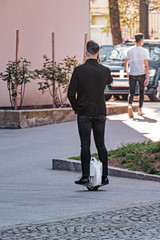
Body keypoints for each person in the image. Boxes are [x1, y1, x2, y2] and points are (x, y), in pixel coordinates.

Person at [67, 40, 113, 186]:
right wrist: (99, 64)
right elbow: (109, 80)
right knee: (101, 144)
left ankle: (85, 176)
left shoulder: (79, 70)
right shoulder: (105, 70)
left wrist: (76, 107)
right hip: (100, 111)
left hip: (84, 111)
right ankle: (105, 177)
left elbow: (70, 93)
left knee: (85, 145)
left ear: (86, 52)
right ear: (98, 53)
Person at [125, 33, 149, 118]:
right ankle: (139, 110)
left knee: (131, 92)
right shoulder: (144, 51)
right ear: (141, 40)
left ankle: (130, 105)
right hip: (141, 74)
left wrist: (127, 71)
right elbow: (146, 65)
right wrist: (147, 77)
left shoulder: (130, 50)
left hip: (132, 73)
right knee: (141, 92)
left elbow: (126, 62)